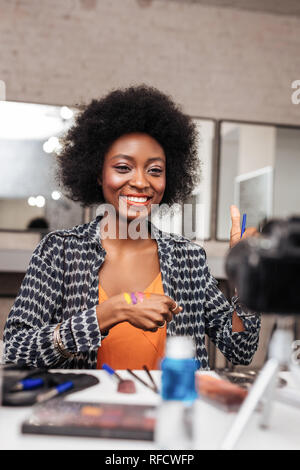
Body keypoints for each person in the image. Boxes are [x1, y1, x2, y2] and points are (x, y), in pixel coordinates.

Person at [3, 85, 260, 370]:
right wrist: (110, 312)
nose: (140, 182)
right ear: (98, 175)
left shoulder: (188, 258)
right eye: (123, 167)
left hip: (171, 411)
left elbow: (240, 350)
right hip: (85, 412)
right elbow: (15, 350)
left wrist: (246, 279)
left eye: (154, 170)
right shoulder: (60, 251)